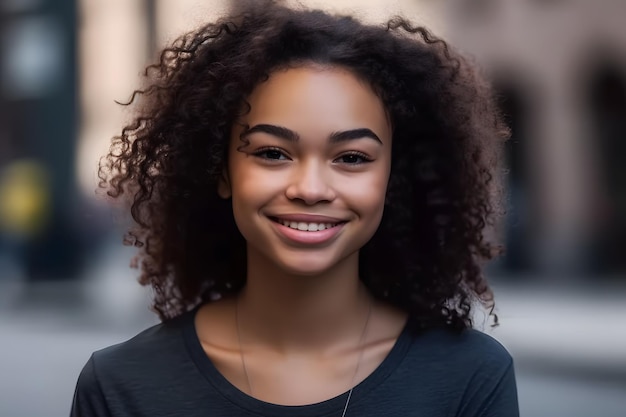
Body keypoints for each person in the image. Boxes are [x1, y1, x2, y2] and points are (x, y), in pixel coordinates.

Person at [71, 1, 518, 416]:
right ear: (221, 172)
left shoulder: (469, 379)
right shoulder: (120, 387)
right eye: (272, 153)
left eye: (352, 158)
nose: (310, 188)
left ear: (390, 181)